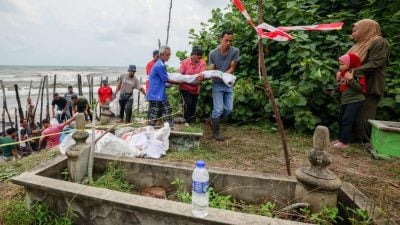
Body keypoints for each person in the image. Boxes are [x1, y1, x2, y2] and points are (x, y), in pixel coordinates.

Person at [346, 19, 390, 144]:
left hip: (371, 84)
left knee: (365, 114)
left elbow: (376, 63)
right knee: (354, 112)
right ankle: (354, 140)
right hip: (356, 84)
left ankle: (365, 142)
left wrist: (354, 71)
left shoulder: (379, 42)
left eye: (355, 30)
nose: (352, 34)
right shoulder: (359, 44)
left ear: (366, 30)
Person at [207, 30, 240, 141]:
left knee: (229, 109)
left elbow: (232, 68)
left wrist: (223, 76)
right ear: (220, 39)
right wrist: (215, 75)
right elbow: (212, 69)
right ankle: (216, 132)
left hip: (228, 83)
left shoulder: (235, 51)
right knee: (218, 110)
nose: (229, 43)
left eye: (231, 41)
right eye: (226, 40)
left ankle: (211, 119)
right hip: (217, 84)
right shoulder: (213, 53)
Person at [331, 53, 366, 149]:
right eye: (340, 64)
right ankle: (340, 139)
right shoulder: (344, 73)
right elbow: (343, 86)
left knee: (347, 120)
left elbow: (360, 88)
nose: (340, 66)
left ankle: (344, 142)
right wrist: (334, 91)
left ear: (351, 63)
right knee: (341, 119)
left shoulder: (357, 73)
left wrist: (351, 79)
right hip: (346, 100)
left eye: (342, 64)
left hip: (355, 100)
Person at [146, 46, 174, 128]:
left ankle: (169, 128)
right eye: (167, 55)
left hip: (160, 93)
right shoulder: (159, 66)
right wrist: (179, 82)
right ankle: (148, 132)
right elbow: (166, 80)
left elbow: (163, 80)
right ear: (161, 54)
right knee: (154, 115)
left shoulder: (161, 64)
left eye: (169, 54)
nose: (169, 56)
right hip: (156, 94)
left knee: (167, 110)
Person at [179, 47, 206, 124]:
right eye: (198, 54)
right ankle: (185, 120)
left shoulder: (202, 63)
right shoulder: (184, 62)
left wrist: (201, 76)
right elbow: (181, 74)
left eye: (200, 55)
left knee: (193, 106)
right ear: (192, 55)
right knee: (188, 103)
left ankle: (189, 121)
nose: (199, 56)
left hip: (195, 89)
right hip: (184, 87)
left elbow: (202, 73)